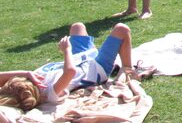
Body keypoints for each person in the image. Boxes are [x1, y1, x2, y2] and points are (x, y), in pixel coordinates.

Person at [0, 23, 135, 109]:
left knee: (77, 27)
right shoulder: (50, 93)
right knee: (122, 29)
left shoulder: (33, 78)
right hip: (97, 67)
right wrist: (67, 50)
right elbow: (70, 71)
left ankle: (95, 49)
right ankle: (128, 70)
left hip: (81, 57)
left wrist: (27, 73)